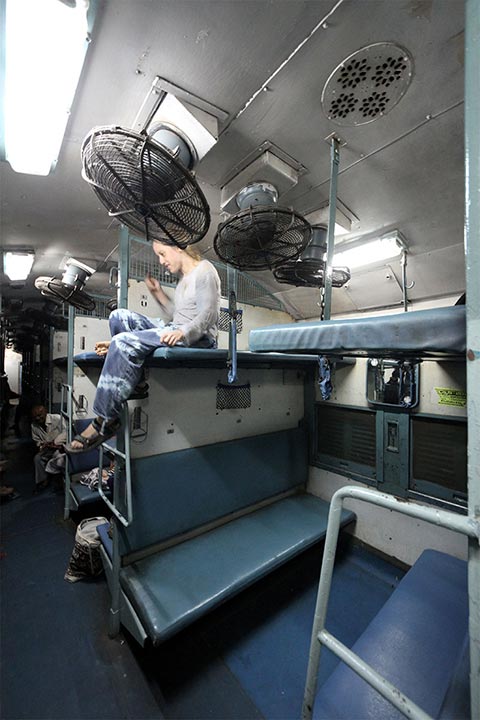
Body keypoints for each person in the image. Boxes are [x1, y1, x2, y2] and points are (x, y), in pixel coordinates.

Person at [66, 242, 221, 453]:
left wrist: (183, 332)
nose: (161, 261)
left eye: (163, 254)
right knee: (118, 316)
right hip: (178, 328)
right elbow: (180, 314)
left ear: (178, 248)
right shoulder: (184, 279)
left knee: (122, 342)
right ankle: (137, 385)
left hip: (200, 339)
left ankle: (104, 421)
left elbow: (208, 314)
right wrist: (158, 294)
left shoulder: (205, 270)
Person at [31, 405, 67, 489]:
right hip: (47, 448)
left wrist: (56, 442)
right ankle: (43, 480)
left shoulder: (57, 418)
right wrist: (43, 445)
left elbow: (66, 432)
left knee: (59, 458)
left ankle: (59, 480)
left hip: (60, 447)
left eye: (40, 415)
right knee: (37, 458)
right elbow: (37, 440)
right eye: (35, 416)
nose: (37, 418)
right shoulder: (34, 425)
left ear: (46, 413)